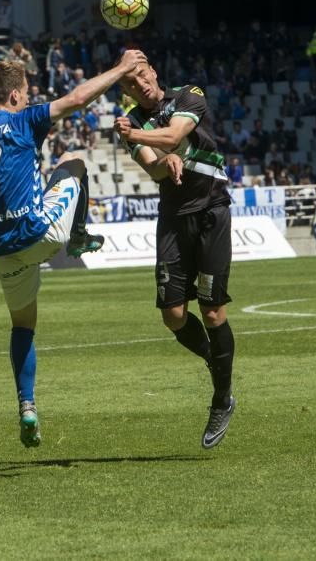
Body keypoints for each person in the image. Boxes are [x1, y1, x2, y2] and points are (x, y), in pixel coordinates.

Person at [0, 49, 144, 448]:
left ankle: (27, 406)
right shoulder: (24, 121)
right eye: (27, 92)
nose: (30, 98)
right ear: (15, 97)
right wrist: (120, 70)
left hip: (1, 252)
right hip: (40, 233)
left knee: (23, 326)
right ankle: (80, 235)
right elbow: (78, 99)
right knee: (74, 161)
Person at [113, 58, 239, 450]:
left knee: (213, 311)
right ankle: (213, 359)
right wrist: (162, 159)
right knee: (172, 317)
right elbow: (154, 170)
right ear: (129, 92)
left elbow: (174, 135)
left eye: (142, 76)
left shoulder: (190, 95)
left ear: (152, 72)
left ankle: (221, 399)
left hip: (211, 211)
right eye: (132, 84)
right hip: (172, 218)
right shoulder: (131, 123)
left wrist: (141, 138)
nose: (140, 84)